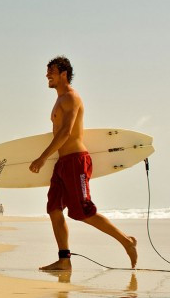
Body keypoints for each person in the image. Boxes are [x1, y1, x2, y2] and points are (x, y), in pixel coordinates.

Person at [29, 56, 137, 270]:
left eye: (51, 71)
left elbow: (66, 132)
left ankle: (126, 241)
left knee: (83, 211)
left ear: (63, 74)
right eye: (47, 71)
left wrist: (42, 157)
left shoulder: (71, 97)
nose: (47, 75)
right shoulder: (59, 99)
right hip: (62, 163)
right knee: (54, 209)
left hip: (76, 161)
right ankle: (64, 260)